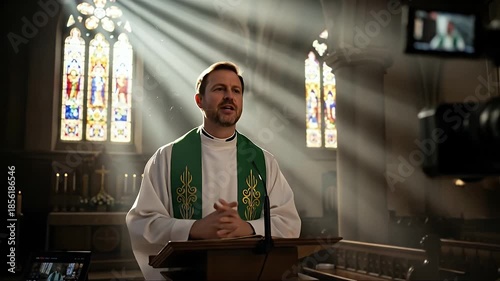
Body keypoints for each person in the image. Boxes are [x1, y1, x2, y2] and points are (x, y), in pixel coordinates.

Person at [126, 61, 301, 280]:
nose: (229, 96)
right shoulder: (167, 158)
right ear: (199, 100)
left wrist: (246, 228)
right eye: (220, 89)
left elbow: (289, 223)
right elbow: (142, 223)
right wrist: (193, 229)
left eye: (236, 91)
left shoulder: (263, 161)